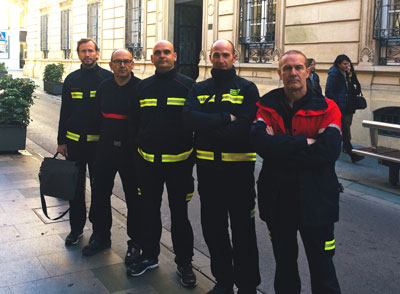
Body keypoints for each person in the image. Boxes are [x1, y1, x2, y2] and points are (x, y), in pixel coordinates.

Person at [251, 50, 342, 294]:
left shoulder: (327, 107)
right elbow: (261, 145)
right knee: (285, 267)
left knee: (323, 269)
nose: (293, 73)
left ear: (308, 71)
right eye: (287, 68)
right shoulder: (265, 105)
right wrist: (306, 142)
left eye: (298, 68)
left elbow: (329, 151)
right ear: (279, 73)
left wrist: (280, 147)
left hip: (317, 201)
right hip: (278, 199)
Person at [183, 40, 261, 294]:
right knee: (214, 232)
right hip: (209, 176)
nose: (220, 59)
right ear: (210, 57)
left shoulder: (248, 89)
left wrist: (209, 128)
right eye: (216, 55)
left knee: (244, 234)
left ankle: (247, 286)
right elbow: (189, 118)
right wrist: (224, 119)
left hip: (240, 178)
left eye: (225, 54)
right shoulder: (200, 87)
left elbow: (246, 126)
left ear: (234, 57)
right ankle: (224, 282)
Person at [126, 40, 197, 288]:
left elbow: (195, 126)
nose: (162, 56)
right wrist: (138, 156)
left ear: (175, 56)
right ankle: (149, 256)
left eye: (166, 52)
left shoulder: (189, 86)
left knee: (180, 216)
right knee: (149, 213)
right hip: (148, 166)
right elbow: (134, 125)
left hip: (179, 167)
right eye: (157, 53)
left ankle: (185, 263)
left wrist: (190, 162)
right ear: (152, 58)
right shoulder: (143, 87)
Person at [81, 49, 142, 265]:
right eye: (118, 62)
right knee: (99, 195)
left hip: (131, 153)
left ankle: (135, 243)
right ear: (111, 65)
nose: (122, 65)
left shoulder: (140, 88)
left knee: (135, 200)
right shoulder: (104, 87)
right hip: (106, 149)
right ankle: (101, 236)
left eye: (126, 61)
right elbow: (96, 117)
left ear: (132, 64)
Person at [57, 38, 113, 246]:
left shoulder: (108, 78)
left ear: (98, 53)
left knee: (100, 192)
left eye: (91, 51)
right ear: (78, 54)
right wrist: (61, 141)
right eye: (83, 51)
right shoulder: (71, 79)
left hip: (99, 147)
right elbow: (65, 112)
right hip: (74, 146)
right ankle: (76, 229)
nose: (87, 54)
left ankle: (101, 234)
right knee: (75, 190)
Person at [325, 54, 364, 163]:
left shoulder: (347, 73)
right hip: (337, 107)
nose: (347, 65)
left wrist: (352, 73)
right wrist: (336, 105)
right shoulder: (334, 74)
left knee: (344, 131)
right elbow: (329, 91)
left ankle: (351, 154)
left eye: (348, 63)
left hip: (346, 106)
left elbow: (355, 85)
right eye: (345, 64)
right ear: (339, 64)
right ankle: (352, 154)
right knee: (343, 132)